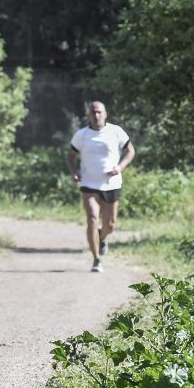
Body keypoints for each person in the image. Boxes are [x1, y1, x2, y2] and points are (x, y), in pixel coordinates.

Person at [68, 100, 135, 272]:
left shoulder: (116, 131)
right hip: (89, 184)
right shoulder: (81, 135)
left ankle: (102, 237)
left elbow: (131, 151)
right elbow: (71, 156)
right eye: (93, 113)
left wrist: (119, 167)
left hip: (111, 184)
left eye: (99, 112)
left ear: (105, 114)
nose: (96, 116)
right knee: (91, 219)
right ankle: (96, 259)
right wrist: (74, 172)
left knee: (110, 225)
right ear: (89, 115)